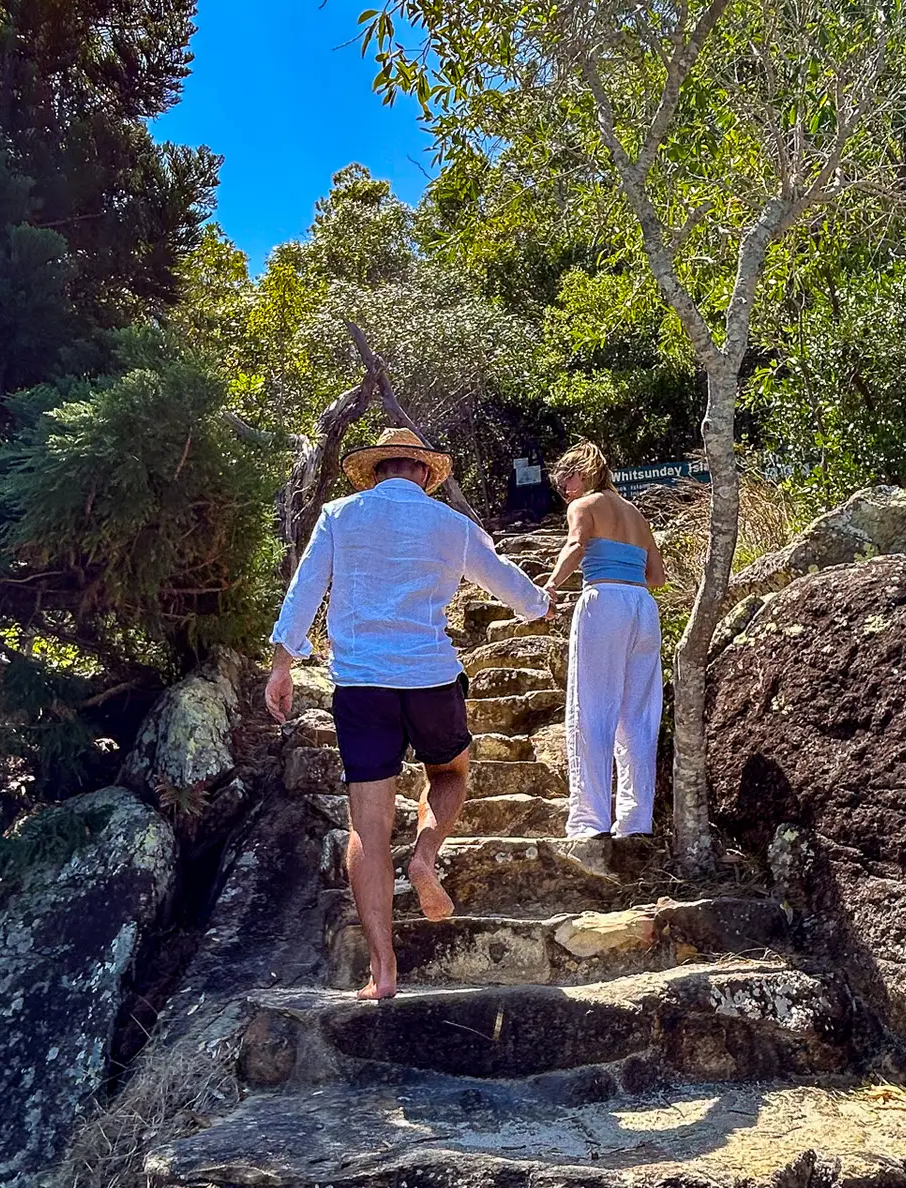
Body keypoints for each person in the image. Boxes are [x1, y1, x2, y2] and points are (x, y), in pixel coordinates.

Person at [264, 427, 549, 999]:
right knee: (451, 773)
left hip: (362, 683)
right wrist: (540, 605)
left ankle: (383, 971)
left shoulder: (340, 516)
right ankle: (424, 856)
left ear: (376, 472)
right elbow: (516, 592)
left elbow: (304, 590)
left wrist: (281, 665)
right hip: (431, 677)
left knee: (367, 830)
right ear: (422, 472)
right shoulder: (451, 525)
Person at [541, 440, 667, 841]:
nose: (564, 489)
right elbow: (657, 577)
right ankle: (635, 820)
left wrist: (550, 586)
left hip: (605, 600)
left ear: (584, 471)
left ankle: (589, 820)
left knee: (591, 708)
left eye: (567, 478)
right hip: (643, 607)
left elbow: (577, 545)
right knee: (639, 716)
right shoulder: (636, 513)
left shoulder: (584, 506)